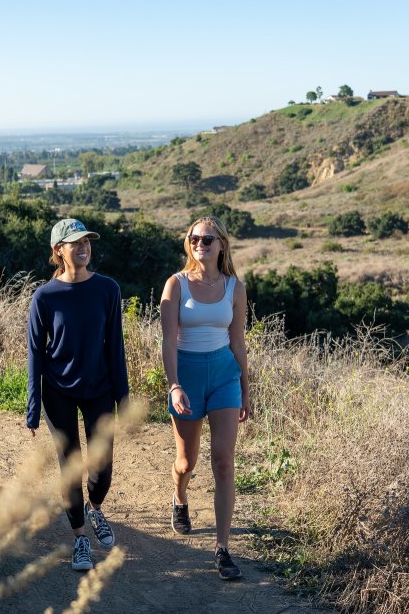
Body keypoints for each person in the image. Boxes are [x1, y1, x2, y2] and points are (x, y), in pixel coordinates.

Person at [27, 218, 129, 571]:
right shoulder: (44, 297)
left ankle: (95, 508)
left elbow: (116, 348)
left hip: (99, 388)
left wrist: (124, 398)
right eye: (75, 242)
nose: (84, 246)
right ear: (58, 250)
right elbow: (35, 355)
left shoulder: (108, 289)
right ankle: (80, 538)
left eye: (87, 241)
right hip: (58, 392)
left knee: (101, 468)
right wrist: (32, 405)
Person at [160, 216, 250, 580]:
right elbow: (168, 341)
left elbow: (238, 342)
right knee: (186, 462)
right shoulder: (176, 285)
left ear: (221, 245)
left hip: (224, 376)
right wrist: (174, 385)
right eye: (195, 238)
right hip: (188, 376)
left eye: (208, 239)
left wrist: (246, 388)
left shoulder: (235, 287)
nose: (201, 244)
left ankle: (222, 549)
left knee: (224, 461)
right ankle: (180, 499)